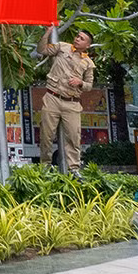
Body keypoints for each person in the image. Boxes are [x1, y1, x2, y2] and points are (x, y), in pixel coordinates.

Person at [33, 26, 95, 171]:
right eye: (77, 36)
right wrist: (47, 34)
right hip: (52, 97)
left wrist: (80, 83)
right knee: (46, 136)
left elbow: (89, 86)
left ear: (87, 45)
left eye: (82, 39)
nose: (77, 39)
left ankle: (74, 169)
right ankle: (45, 167)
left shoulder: (89, 63)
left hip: (72, 103)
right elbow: (42, 50)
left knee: (73, 138)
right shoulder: (62, 47)